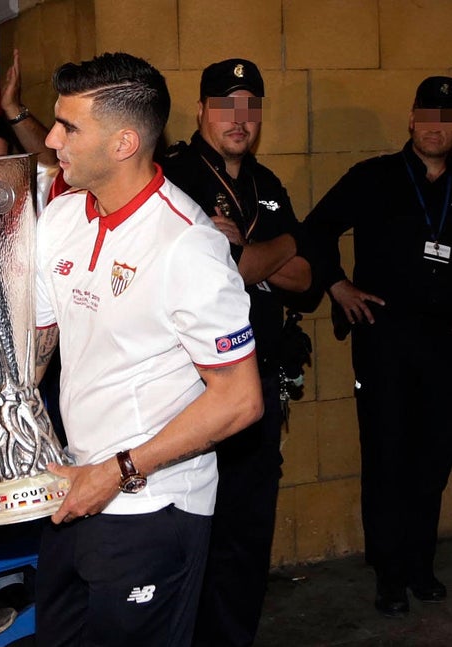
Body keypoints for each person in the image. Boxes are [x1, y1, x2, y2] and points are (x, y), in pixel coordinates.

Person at [0, 52, 263, 646]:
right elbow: (28, 358)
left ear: (123, 142)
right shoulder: (64, 214)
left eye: (69, 127)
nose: (53, 139)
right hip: (75, 487)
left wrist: (116, 473)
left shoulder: (186, 245)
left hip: (155, 506)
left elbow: (240, 400)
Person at [159, 58, 312, 646]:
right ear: (201, 110)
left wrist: (253, 255)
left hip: (260, 385)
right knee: (189, 533)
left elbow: (304, 276)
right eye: (226, 104)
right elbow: (271, 264)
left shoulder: (267, 185)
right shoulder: (173, 175)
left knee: (247, 534)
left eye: (251, 106)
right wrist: (274, 255)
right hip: (189, 389)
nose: (239, 118)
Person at [303, 75, 452, 618]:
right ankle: (390, 574)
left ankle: (419, 565)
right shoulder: (374, 178)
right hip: (386, 340)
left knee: (434, 457)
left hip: (446, 347)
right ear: (413, 121)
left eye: (448, 117)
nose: (437, 127)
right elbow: (314, 230)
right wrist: (338, 286)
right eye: (428, 116)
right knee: (388, 454)